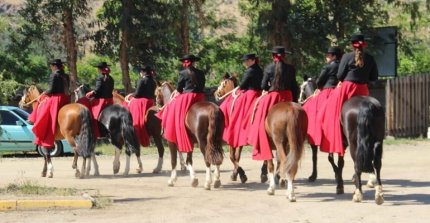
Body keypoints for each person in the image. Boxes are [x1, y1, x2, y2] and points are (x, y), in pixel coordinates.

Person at [319, 34, 378, 155]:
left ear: (352, 44)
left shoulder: (346, 56)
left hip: (347, 88)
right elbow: (374, 77)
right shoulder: (370, 58)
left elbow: (340, 75)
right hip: (363, 89)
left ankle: (338, 137)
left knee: (330, 109)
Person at [249, 46, 299, 161]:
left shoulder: (269, 68)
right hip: (288, 96)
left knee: (259, 117)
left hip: (273, 97)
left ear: (273, 56)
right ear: (284, 56)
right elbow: (294, 86)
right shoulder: (291, 68)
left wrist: (269, 87)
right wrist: (295, 101)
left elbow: (262, 86)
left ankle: (260, 138)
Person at [156, 54, 205, 152]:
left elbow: (179, 88)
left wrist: (176, 93)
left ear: (185, 63)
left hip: (187, 97)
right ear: (194, 62)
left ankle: (170, 129)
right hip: (200, 96)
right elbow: (203, 85)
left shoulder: (183, 73)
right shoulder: (200, 72)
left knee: (170, 106)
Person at [220, 53, 263, 147]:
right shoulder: (259, 69)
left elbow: (243, 85)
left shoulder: (249, 70)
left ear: (253, 60)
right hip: (259, 93)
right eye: (245, 61)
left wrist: (239, 87)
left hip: (250, 93)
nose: (246, 63)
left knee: (229, 102)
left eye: (247, 61)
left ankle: (233, 127)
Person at [303, 46, 342, 146]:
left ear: (334, 56)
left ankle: (314, 136)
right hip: (340, 90)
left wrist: (318, 87)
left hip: (328, 90)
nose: (326, 57)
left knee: (309, 106)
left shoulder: (328, 67)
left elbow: (320, 81)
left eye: (328, 55)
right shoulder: (342, 65)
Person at [31, 59, 70, 150]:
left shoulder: (54, 75)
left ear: (55, 66)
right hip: (65, 98)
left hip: (56, 99)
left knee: (42, 106)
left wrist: (44, 93)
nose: (50, 67)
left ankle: (42, 127)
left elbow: (51, 89)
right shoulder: (66, 75)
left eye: (51, 66)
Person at [125, 66, 157, 147]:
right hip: (150, 101)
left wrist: (130, 96)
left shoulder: (142, 80)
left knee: (127, 103)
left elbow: (137, 94)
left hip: (142, 102)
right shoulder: (153, 81)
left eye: (140, 71)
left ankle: (131, 127)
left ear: (143, 72)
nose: (140, 73)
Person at [85, 62, 114, 137]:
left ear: (100, 70)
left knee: (93, 116)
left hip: (101, 101)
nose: (98, 70)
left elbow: (97, 90)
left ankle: (94, 132)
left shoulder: (99, 77)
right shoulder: (111, 78)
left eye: (98, 69)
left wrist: (92, 93)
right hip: (110, 100)